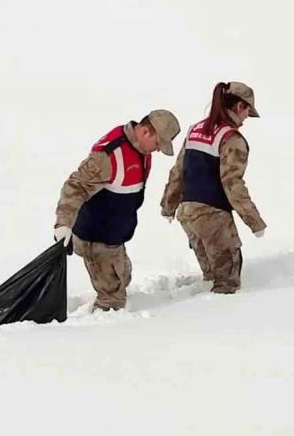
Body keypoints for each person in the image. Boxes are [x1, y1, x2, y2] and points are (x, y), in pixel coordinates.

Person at [54, 110, 181, 312]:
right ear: (146, 132)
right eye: (158, 144)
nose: (158, 150)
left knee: (124, 276)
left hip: (114, 233)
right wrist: (63, 224)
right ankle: (106, 331)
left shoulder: (141, 149)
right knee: (113, 300)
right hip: (96, 237)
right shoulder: (108, 156)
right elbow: (75, 187)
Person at [162, 82, 265, 295]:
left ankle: (205, 319)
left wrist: (169, 206)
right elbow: (232, 184)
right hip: (213, 217)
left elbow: (177, 173)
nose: (246, 118)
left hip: (188, 214)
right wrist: (254, 221)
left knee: (211, 276)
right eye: (247, 111)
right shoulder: (231, 139)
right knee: (227, 283)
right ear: (239, 106)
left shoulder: (195, 130)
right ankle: (219, 320)